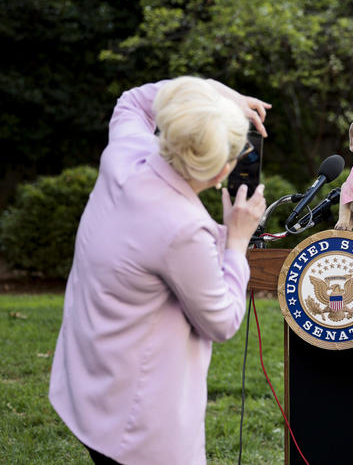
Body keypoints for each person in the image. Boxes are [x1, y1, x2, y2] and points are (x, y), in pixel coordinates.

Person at [49, 76, 272, 465]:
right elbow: (221, 321)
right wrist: (236, 242)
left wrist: (215, 96)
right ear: (221, 172)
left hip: (89, 383)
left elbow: (134, 100)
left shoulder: (125, 152)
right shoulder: (184, 228)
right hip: (137, 426)